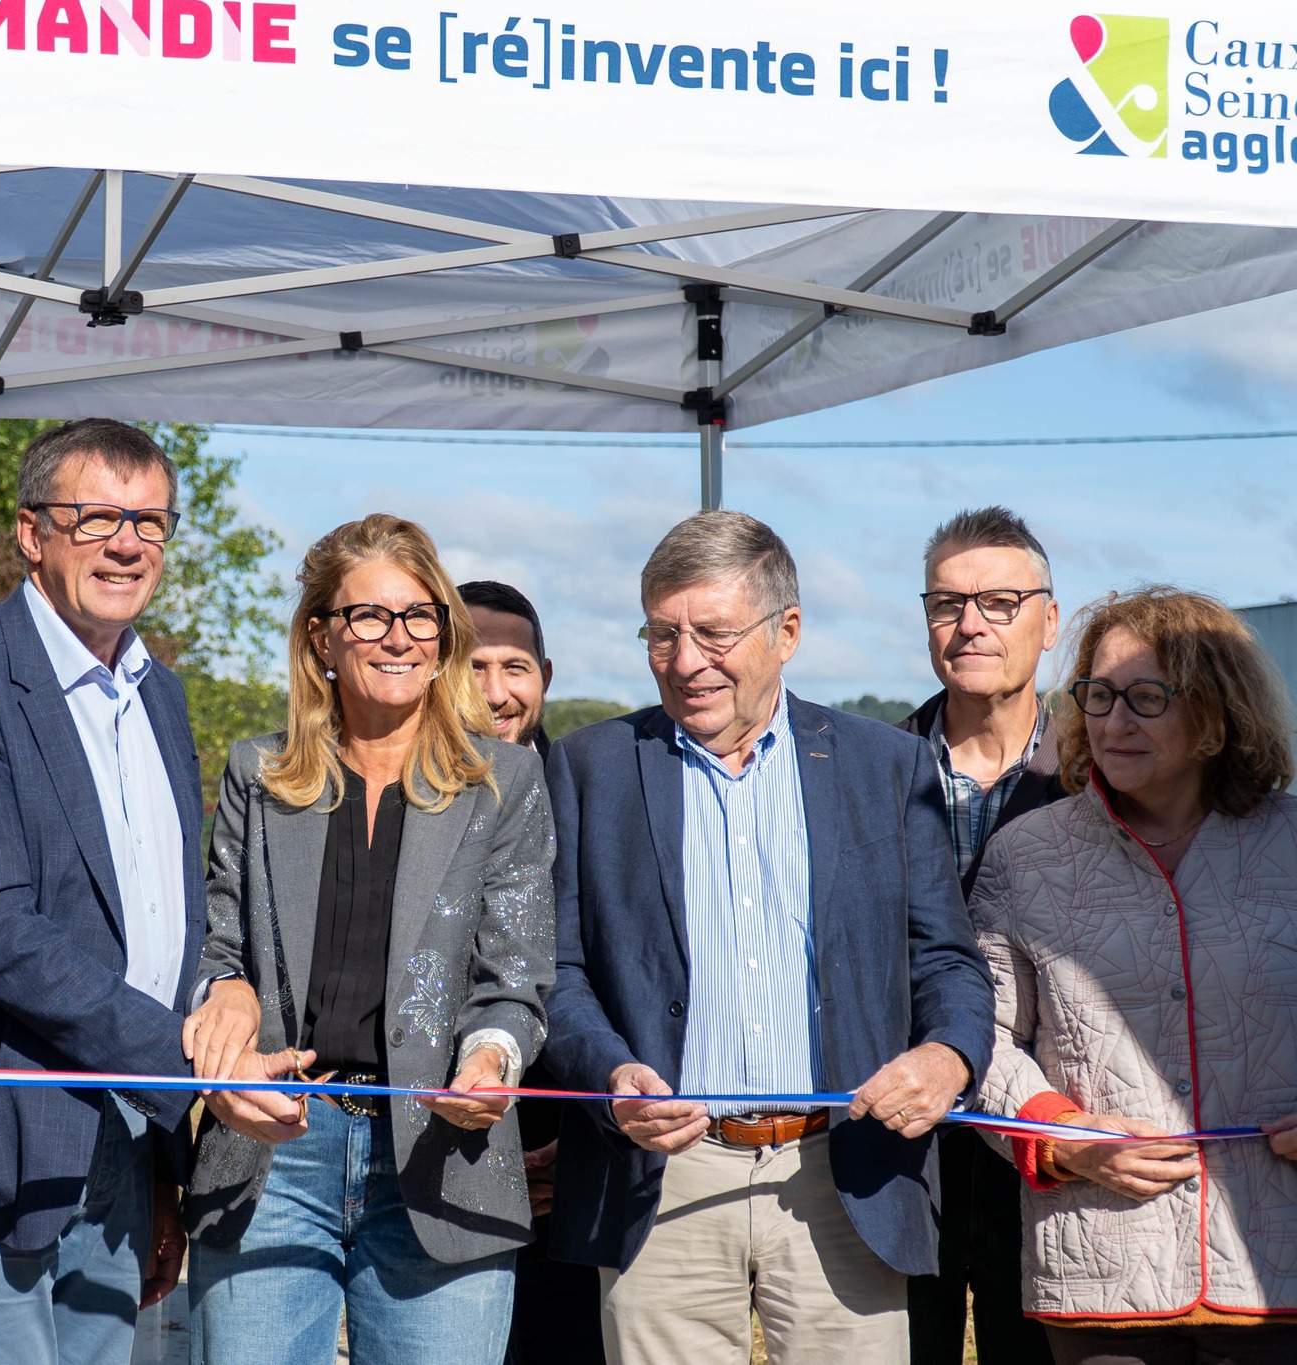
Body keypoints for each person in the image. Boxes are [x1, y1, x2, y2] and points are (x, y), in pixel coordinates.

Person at [0, 419, 295, 1365]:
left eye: (150, 520)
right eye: (95, 517)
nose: (127, 543)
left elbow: (167, 913)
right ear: (31, 534)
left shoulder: (161, 695)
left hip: (121, 1134)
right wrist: (191, 1062)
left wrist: (215, 1014)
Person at [540, 509, 996, 1364]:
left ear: (786, 631)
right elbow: (558, 972)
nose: (685, 662)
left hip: (845, 1173)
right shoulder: (589, 765)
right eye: (662, 635)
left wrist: (949, 1057)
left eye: (713, 633)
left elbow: (946, 960)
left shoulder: (885, 767)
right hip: (661, 1182)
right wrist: (609, 1074)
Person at [182, 518, 553, 1365]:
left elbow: (517, 975)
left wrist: (490, 1058)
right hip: (273, 1149)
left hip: (442, 1151)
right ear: (321, 637)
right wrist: (223, 994)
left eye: (420, 615)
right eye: (370, 617)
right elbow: (217, 947)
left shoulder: (506, 781)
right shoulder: (257, 774)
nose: (398, 637)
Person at [969, 586, 1297, 1365]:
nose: (1115, 720)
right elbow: (973, 1037)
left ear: (1217, 712)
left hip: (1277, 1261)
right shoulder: (1028, 854)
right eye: (1101, 695)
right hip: (1103, 1267)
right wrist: (1063, 1134)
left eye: (1147, 697)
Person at [897, 508, 1062, 1365]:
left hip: (1049, 1139)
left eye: (1000, 602)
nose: (971, 626)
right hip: (900, 1140)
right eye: (947, 604)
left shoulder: (1102, 772)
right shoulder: (869, 769)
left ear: (1050, 618)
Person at [458, 578, 600, 1364]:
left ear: (548, 673)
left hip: (572, 1172)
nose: (495, 691)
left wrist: (576, 1148)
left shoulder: (589, 791)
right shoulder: (408, 794)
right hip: (447, 1152)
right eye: (473, 666)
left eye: (515, 666)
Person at [461, 579, 554, 754]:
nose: (496, 697)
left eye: (515, 668)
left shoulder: (579, 779)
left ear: (545, 679)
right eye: (473, 669)